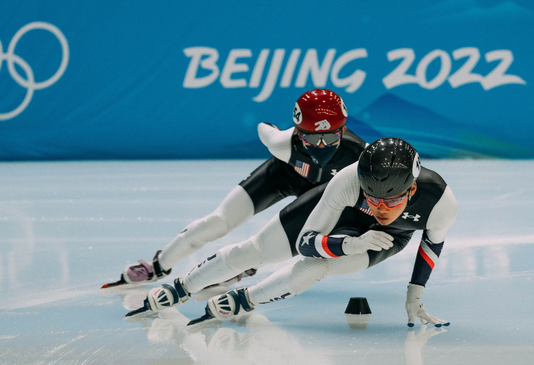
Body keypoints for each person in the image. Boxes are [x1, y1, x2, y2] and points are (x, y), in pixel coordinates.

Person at [182, 137, 458, 327]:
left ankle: (245, 300)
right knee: (258, 251)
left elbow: (431, 244)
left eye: (392, 200)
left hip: (389, 237)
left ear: (411, 190)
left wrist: (415, 296)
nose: (381, 209)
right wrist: (349, 244)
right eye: (372, 198)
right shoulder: (348, 180)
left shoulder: (441, 203)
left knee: (313, 269)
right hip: (342, 218)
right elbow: (305, 242)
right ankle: (183, 285)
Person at [104, 89, 366, 289]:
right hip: (282, 175)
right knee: (218, 221)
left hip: (323, 193)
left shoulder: (360, 155)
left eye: (331, 137)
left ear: (343, 130)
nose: (321, 146)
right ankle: (159, 265)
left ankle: (245, 267)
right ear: (298, 132)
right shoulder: (281, 144)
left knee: (274, 244)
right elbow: (265, 128)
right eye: (311, 137)